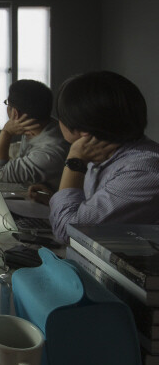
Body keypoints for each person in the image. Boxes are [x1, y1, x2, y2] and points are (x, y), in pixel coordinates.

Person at [27, 71, 159, 243]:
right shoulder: (101, 153)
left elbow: (67, 232)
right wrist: (55, 199)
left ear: (84, 133)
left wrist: (74, 162)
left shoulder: (142, 171)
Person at [0, 79, 69, 190]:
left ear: (15, 113)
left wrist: (6, 132)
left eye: (7, 103)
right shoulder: (38, 126)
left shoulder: (51, 150)